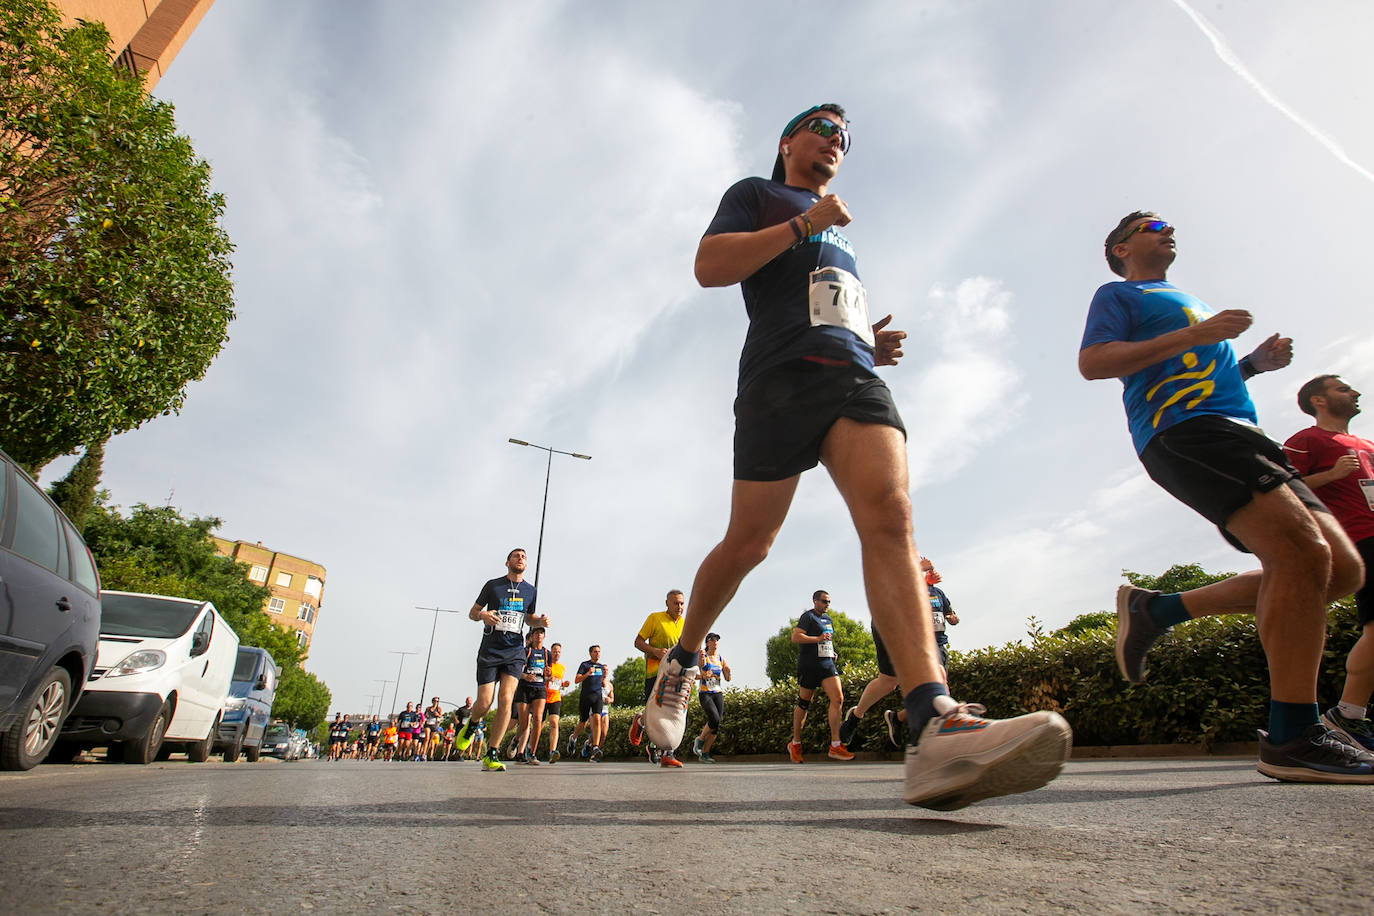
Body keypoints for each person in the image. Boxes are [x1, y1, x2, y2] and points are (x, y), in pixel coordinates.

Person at [642, 103, 1071, 809]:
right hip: (778, 379)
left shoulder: (839, 230)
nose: (835, 140)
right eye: (822, 127)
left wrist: (867, 339)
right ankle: (682, 661)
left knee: (892, 516)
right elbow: (709, 267)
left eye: (844, 136)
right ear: (788, 141)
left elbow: (819, 302)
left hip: (852, 376)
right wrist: (805, 223)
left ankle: (933, 721)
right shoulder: (757, 194)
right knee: (751, 542)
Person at [1080, 211, 1372, 783]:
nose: (1167, 229)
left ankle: (1157, 610)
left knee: (1341, 571)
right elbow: (1094, 363)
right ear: (1121, 248)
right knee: (1301, 555)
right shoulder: (1119, 294)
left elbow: (1207, 370)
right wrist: (1198, 333)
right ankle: (1294, 734)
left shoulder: (1186, 299)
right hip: (1184, 430)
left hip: (1243, 431)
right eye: (1152, 225)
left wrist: (1254, 365)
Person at [1283, 376, 1374, 750]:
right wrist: (1331, 475)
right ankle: (1348, 715)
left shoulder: (1367, 445)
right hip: (1358, 539)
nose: (1355, 393)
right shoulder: (1305, 441)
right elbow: (1281, 489)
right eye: (1343, 389)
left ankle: (1351, 714)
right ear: (1318, 400)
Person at [839, 558, 954, 750]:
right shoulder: (888, 558)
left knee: (937, 675)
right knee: (888, 681)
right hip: (887, 619)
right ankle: (856, 716)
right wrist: (918, 570)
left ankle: (926, 739)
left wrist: (925, 583)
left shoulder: (929, 587)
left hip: (912, 625)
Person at [453, 548, 550, 772]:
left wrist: (540, 621)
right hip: (491, 649)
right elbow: (472, 612)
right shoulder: (493, 586)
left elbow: (529, 617)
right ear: (508, 562)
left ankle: (492, 752)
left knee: (506, 699)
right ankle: (473, 724)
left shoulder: (530, 590)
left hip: (514, 651)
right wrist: (483, 615)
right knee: (484, 703)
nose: (520, 558)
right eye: (516, 556)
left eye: (524, 556)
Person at [788, 591, 854, 762]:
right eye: (824, 601)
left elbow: (826, 639)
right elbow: (796, 637)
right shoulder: (808, 617)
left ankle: (835, 745)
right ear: (815, 601)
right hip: (809, 665)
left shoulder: (828, 619)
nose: (827, 605)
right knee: (804, 704)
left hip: (826, 664)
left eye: (829, 602)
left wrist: (831, 651)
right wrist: (817, 638)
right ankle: (795, 743)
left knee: (838, 699)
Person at [631, 590, 689, 767]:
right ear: (667, 603)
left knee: (674, 712)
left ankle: (667, 754)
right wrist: (655, 651)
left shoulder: (686, 624)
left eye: (681, 603)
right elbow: (638, 642)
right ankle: (640, 722)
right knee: (655, 712)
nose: (679, 607)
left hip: (676, 675)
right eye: (675, 603)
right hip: (654, 673)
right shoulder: (655, 618)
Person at [513, 627, 550, 765]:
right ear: (532, 636)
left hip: (540, 688)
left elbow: (548, 673)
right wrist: (525, 676)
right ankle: (515, 740)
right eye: (536, 633)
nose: (539, 635)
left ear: (544, 636)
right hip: (524, 688)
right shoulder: (526, 651)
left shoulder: (547, 653)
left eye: (541, 633)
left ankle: (532, 753)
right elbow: (516, 670)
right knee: (524, 723)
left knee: (538, 719)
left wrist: (548, 673)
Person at [692, 633, 730, 763]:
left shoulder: (720, 658)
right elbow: (696, 671)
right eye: (713, 640)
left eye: (717, 640)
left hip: (717, 693)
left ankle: (705, 754)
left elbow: (727, 678)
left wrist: (728, 672)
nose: (715, 642)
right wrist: (703, 675)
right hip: (705, 693)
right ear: (708, 643)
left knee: (717, 725)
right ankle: (700, 740)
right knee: (714, 718)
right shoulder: (703, 656)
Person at [569, 645, 610, 761]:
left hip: (597, 696)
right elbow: (576, 680)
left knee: (597, 719)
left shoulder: (601, 667)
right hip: (586, 696)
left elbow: (601, 680)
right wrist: (587, 673)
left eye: (599, 652)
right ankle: (573, 738)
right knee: (583, 722)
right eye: (595, 652)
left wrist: (603, 683)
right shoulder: (585, 665)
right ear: (590, 653)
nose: (597, 654)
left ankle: (595, 747)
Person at [542, 642, 570, 763]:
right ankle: (530, 748)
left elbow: (558, 682)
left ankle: (552, 752)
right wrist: (548, 678)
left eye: (558, 651)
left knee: (554, 723)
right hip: (543, 697)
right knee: (539, 725)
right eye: (554, 651)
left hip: (555, 697)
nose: (556, 653)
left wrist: (564, 684)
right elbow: (540, 678)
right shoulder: (545, 665)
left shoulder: (562, 667)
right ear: (550, 652)